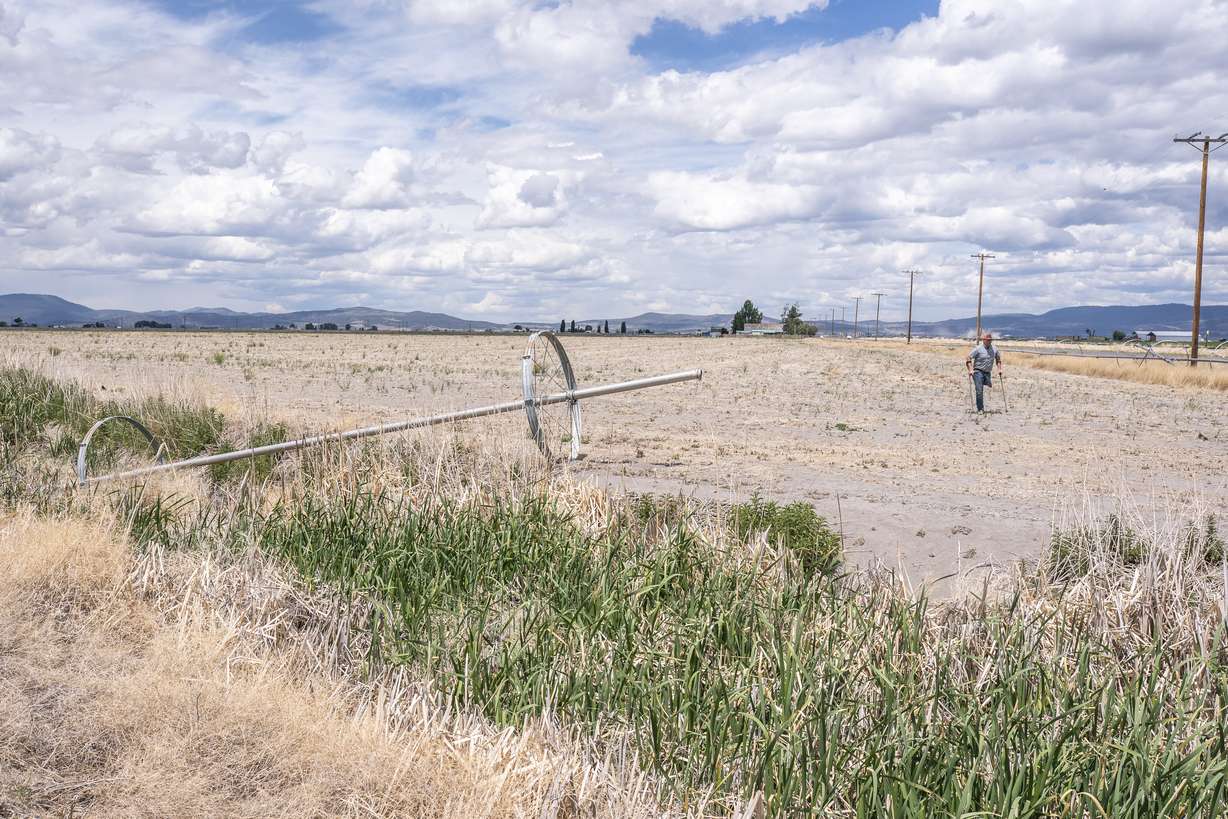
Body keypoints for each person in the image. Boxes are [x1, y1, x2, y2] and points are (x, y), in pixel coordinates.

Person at [966, 332, 1002, 413]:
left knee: (988, 385)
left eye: (990, 340)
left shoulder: (995, 349)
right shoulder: (978, 349)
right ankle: (980, 409)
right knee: (979, 390)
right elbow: (968, 358)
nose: (989, 341)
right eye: (988, 340)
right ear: (983, 340)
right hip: (978, 371)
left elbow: (998, 359)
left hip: (987, 372)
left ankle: (985, 382)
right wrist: (970, 369)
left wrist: (999, 369)